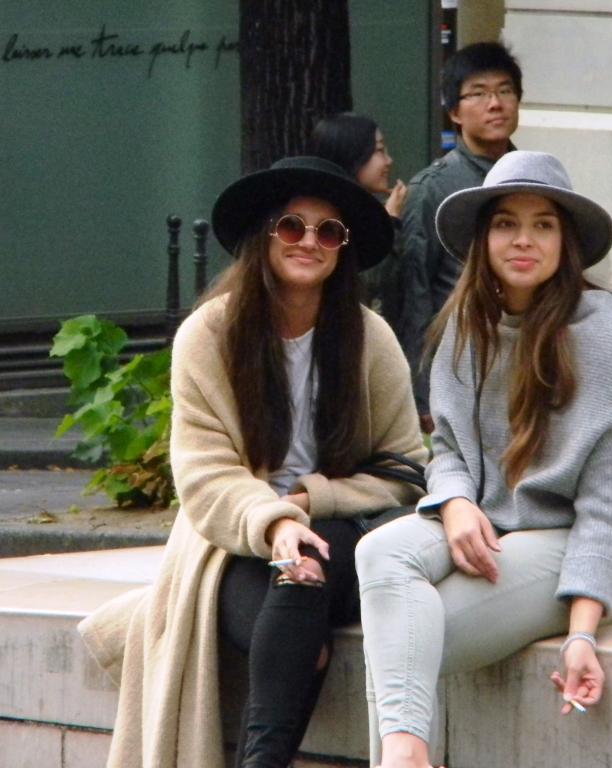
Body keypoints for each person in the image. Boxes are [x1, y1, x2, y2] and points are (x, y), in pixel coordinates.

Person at [77, 156, 427, 768]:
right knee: (301, 615)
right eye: (292, 226)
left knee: (309, 568)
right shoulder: (209, 334)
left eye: (328, 231)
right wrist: (275, 522)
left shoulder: (370, 337)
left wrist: (312, 503)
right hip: (232, 540)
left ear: (343, 248)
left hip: (346, 530)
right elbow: (205, 474)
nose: (309, 242)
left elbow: (404, 469)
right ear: (264, 236)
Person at [356, 151, 612, 768]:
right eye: (506, 223)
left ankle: (401, 758)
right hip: (504, 525)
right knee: (379, 553)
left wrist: (582, 631)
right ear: (483, 238)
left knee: (404, 641)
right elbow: (447, 448)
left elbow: (610, 506)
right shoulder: (467, 325)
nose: (523, 240)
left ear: (567, 241)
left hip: (610, 553)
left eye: (543, 225)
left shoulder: (607, 334)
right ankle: (406, 756)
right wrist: (455, 502)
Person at [398, 41, 522, 432]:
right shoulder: (432, 188)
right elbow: (414, 295)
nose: (495, 104)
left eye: (505, 91)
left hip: (523, 361)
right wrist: (422, 393)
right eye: (478, 93)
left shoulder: (531, 179)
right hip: (461, 367)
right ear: (454, 112)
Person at [309, 112, 407, 329]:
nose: (389, 161)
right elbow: (368, 282)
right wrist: (390, 223)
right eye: (380, 150)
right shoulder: (330, 219)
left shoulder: (365, 210)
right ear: (353, 155)